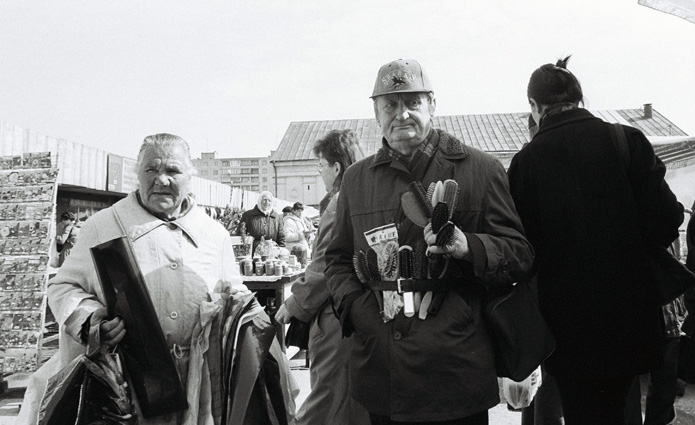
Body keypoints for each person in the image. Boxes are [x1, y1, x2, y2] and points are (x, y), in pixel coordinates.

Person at [325, 59, 534, 424]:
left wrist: (467, 245)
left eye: (413, 103)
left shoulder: (481, 170)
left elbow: (519, 254)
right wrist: (359, 310)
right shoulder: (357, 180)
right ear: (376, 112)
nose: (402, 114)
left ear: (432, 105)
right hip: (382, 364)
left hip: (455, 365)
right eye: (390, 105)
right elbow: (338, 260)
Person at [508, 56, 684, 424]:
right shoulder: (626, 140)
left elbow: (523, 250)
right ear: (579, 98)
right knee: (622, 408)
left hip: (566, 328)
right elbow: (669, 220)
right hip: (630, 317)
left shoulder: (526, 162)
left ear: (534, 106)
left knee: (581, 410)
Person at [45, 133, 255, 424]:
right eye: (151, 169)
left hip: (199, 384)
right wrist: (94, 321)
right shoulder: (103, 226)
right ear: (137, 174)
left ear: (190, 177)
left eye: (173, 170)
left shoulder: (213, 233)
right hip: (129, 385)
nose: (161, 179)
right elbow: (63, 287)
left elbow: (235, 295)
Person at [275, 129, 369, 425]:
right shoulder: (366, 196)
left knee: (326, 399)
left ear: (336, 167)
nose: (320, 173)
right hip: (362, 312)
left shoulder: (339, 202)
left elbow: (326, 264)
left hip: (336, 316)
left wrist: (294, 304)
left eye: (321, 165)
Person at [238, 190, 285, 255]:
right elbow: (240, 233)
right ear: (260, 201)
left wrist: (281, 251)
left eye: (269, 200)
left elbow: (281, 237)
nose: (267, 202)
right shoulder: (248, 215)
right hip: (252, 252)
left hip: (272, 253)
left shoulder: (276, 217)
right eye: (264, 200)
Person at [283, 201, 311, 266]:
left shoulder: (302, 221)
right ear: (293, 211)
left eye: (301, 211)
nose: (300, 213)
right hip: (294, 253)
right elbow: (286, 237)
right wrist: (300, 235)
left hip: (303, 252)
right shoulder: (289, 221)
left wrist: (307, 235)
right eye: (298, 211)